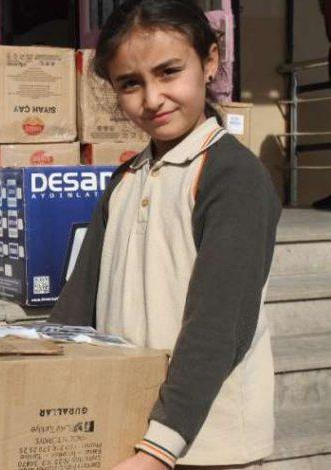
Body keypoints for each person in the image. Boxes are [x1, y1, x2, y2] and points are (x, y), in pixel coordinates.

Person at [50, 1, 281, 469]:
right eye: (130, 83)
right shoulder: (126, 179)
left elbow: (218, 325)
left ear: (210, 61)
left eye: (169, 72)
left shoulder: (233, 176)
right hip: (130, 433)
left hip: (205, 444)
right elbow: (76, 305)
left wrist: (160, 448)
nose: (152, 99)